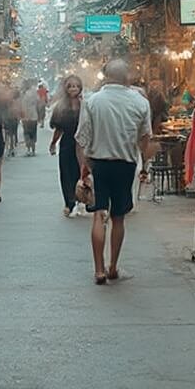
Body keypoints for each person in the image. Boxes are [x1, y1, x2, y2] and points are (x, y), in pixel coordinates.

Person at [75, 60, 153, 285]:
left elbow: (81, 137)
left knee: (99, 214)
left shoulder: (92, 101)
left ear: (105, 77)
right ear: (127, 77)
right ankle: (113, 266)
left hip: (99, 163)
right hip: (125, 164)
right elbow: (145, 136)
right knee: (118, 217)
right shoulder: (140, 102)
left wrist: (84, 165)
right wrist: (143, 162)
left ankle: (98, 269)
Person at [50, 75, 83, 217]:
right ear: (66, 88)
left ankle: (80, 199)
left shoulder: (86, 104)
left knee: (79, 171)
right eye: (70, 86)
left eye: (76, 86)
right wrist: (53, 143)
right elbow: (59, 128)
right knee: (66, 173)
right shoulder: (61, 106)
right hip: (67, 142)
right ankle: (69, 203)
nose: (73, 89)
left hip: (82, 143)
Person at [20, 82, 40, 156]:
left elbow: (20, 105)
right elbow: (38, 102)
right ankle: (33, 150)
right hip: (33, 116)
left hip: (25, 117)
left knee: (26, 133)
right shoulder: (34, 93)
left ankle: (28, 150)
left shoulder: (22, 94)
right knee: (33, 133)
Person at [3, 87, 21, 157]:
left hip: (9, 119)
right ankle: (12, 147)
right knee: (12, 134)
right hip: (12, 119)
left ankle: (10, 148)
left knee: (9, 134)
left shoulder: (6, 102)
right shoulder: (15, 102)